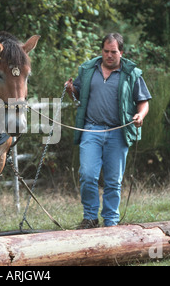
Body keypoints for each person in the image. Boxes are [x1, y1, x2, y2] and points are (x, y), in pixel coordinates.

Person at [65, 33, 152, 228]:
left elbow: (143, 102)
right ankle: (90, 217)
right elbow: (77, 95)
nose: (109, 55)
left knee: (113, 181)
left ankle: (111, 221)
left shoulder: (131, 73)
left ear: (121, 52)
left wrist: (140, 115)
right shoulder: (88, 69)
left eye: (114, 52)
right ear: (101, 51)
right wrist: (71, 90)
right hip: (91, 130)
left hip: (118, 132)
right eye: (106, 51)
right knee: (87, 174)